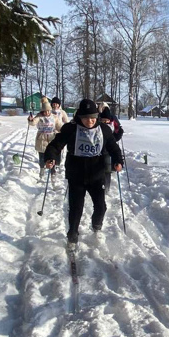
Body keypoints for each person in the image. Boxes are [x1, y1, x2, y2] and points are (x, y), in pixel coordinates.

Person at [44, 99, 123, 248]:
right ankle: (72, 236)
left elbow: (114, 148)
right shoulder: (71, 129)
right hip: (76, 175)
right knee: (76, 209)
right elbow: (55, 145)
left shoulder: (104, 130)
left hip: (97, 175)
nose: (90, 121)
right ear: (80, 116)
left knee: (101, 207)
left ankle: (96, 226)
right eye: (86, 118)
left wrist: (118, 161)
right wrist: (50, 157)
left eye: (93, 117)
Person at [27, 97, 56, 180]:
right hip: (41, 139)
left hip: (51, 139)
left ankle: (53, 173)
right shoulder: (39, 116)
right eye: (45, 111)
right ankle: (42, 171)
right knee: (42, 158)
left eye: (48, 111)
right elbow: (33, 122)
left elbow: (59, 125)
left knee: (52, 157)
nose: (47, 112)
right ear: (42, 111)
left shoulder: (54, 117)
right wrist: (30, 120)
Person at [98, 105, 124, 192]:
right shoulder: (98, 126)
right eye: (103, 120)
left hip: (109, 148)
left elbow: (117, 133)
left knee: (108, 168)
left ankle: (106, 188)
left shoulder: (113, 125)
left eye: (107, 120)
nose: (105, 122)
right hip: (100, 149)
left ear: (110, 120)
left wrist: (119, 134)